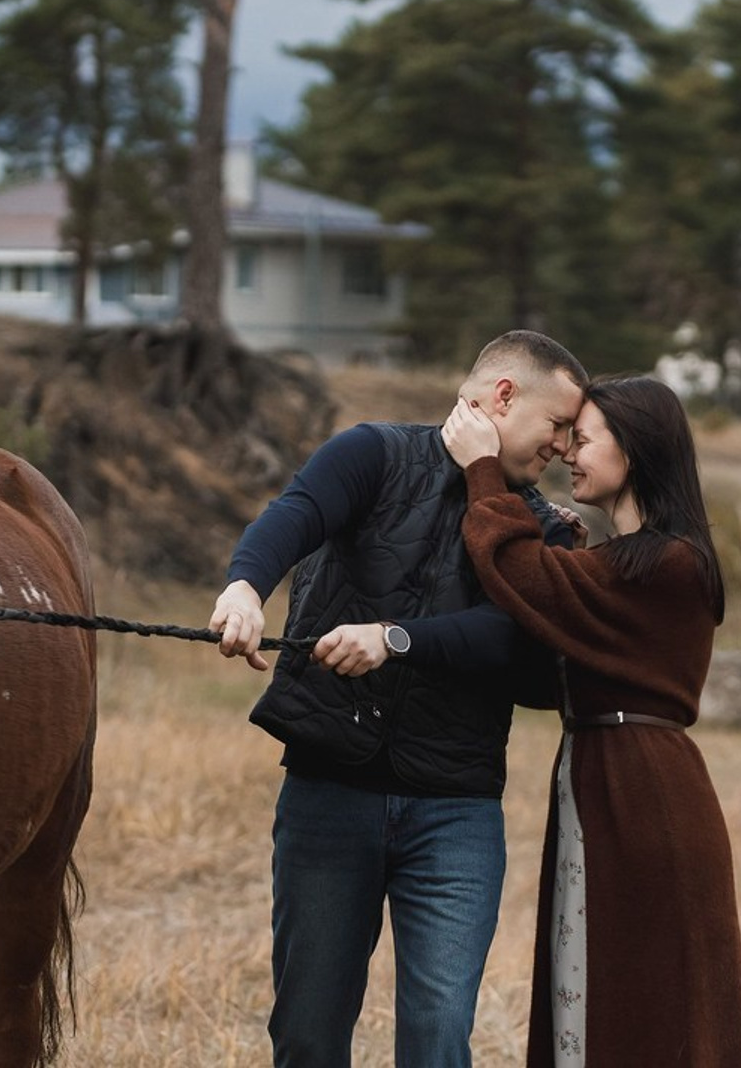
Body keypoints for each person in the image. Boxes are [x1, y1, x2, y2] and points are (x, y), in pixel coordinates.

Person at [212, 331, 589, 1068]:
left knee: (439, 1038)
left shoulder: (542, 529)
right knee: (308, 1034)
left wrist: (396, 638)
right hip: (329, 796)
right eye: (558, 427)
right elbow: (294, 515)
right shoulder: (372, 453)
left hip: (456, 812)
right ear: (504, 396)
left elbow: (518, 639)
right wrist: (245, 586)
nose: (563, 449)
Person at [443, 376, 741, 1066]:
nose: (570, 453)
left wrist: (483, 471)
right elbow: (549, 636)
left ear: (631, 451)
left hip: (640, 793)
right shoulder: (626, 564)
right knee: (607, 986)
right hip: (615, 778)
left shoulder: (667, 565)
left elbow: (521, 570)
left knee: (636, 995)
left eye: (584, 439)